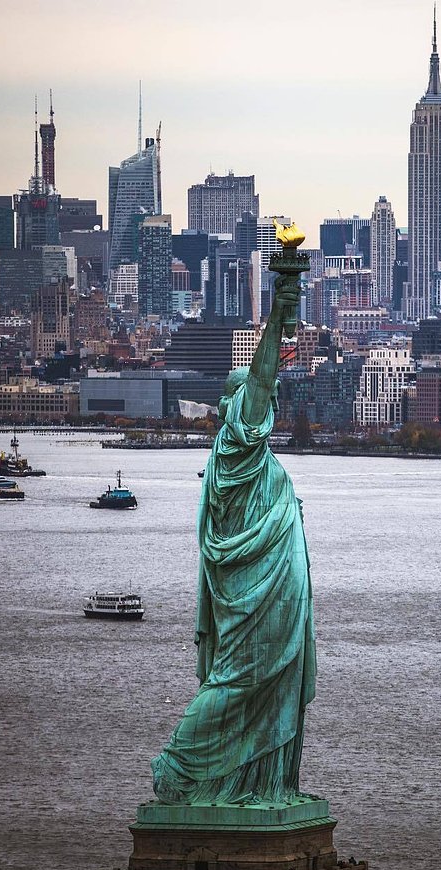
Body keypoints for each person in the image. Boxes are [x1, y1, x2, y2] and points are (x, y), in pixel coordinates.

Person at [152, 273, 316, 805]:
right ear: (239, 409)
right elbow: (265, 377)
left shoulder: (242, 457)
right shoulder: (237, 446)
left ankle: (264, 781)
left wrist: (285, 318)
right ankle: (181, 763)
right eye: (251, 397)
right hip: (257, 587)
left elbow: (267, 378)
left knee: (268, 679)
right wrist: (279, 309)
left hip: (272, 581)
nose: (261, 404)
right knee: (243, 677)